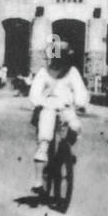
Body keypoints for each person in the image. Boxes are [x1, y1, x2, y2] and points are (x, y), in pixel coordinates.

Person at [29, 41, 89, 194]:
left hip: (65, 108)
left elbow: (80, 90)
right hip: (48, 108)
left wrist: (80, 102)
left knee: (75, 127)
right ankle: (38, 181)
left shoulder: (72, 72)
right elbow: (35, 93)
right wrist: (40, 103)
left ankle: (65, 154)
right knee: (44, 139)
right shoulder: (44, 72)